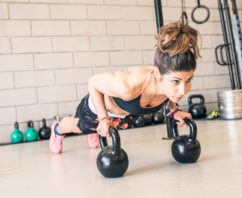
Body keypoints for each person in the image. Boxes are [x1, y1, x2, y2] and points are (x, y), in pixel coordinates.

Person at [49, 20, 201, 154]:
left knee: (104, 128)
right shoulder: (128, 85)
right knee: (80, 126)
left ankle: (95, 132)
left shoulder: (168, 84)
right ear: (156, 73)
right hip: (98, 107)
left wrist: (174, 111)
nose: (183, 90)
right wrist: (103, 118)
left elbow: (168, 96)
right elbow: (93, 82)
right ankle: (57, 129)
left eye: (188, 80)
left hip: (125, 113)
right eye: (176, 82)